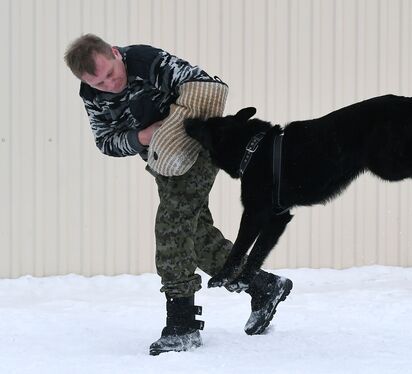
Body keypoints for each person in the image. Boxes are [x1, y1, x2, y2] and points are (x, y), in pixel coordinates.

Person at [64, 34, 293, 355]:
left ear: (115, 53)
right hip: (164, 163)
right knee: (197, 239)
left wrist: (174, 124)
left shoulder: (146, 61)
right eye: (99, 83)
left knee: (172, 226)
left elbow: (201, 84)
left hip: (199, 147)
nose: (110, 85)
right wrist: (142, 136)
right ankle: (262, 286)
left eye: (111, 74)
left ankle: (182, 323)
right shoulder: (91, 94)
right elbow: (105, 141)